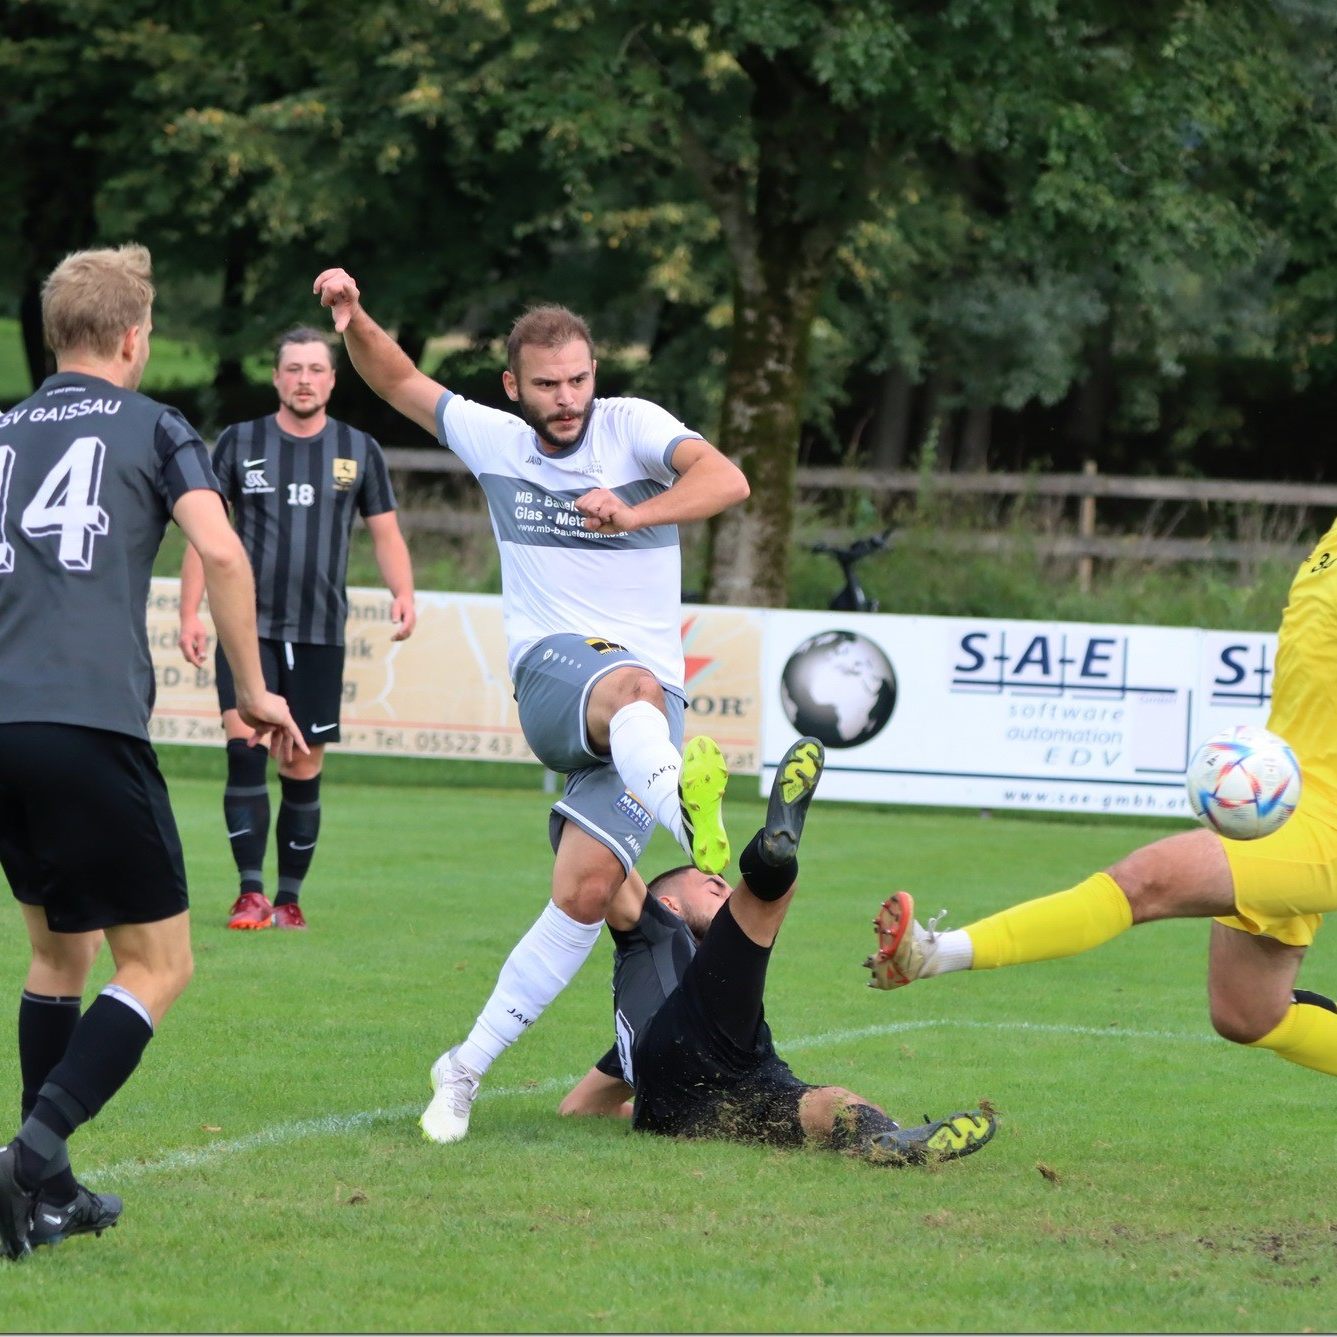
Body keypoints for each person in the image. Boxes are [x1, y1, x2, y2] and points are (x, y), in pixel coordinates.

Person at [311, 267, 749, 1141]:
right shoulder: (496, 439)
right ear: (513, 386)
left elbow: (727, 481)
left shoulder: (633, 429)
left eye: (579, 379)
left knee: (584, 893)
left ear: (595, 374)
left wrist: (634, 513)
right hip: (556, 675)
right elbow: (397, 379)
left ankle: (461, 1068)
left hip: (646, 710)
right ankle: (684, 807)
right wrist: (355, 318)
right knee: (623, 682)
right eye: (546, 384)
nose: (566, 398)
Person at [0, 244, 305, 1260]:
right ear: (136, 338)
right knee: (159, 962)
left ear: (53, 337)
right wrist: (255, 688)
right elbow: (218, 549)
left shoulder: (1, 428)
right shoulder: (157, 424)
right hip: (85, 721)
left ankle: (51, 1194)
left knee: (58, 952)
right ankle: (27, 1157)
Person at [868, 520, 1337, 1084]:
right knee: (1247, 1013)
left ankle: (936, 953)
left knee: (1148, 880)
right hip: (1290, 791)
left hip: (1321, 817)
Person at [560, 737, 997, 1165]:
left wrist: (644, 1109)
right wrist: (610, 750)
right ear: (669, 904)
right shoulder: (655, 928)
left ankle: (889, 1140)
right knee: (761, 902)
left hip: (705, 1101)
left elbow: (578, 1108)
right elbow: (603, 855)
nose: (723, 889)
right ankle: (771, 859)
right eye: (713, 886)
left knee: (827, 1103)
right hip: (704, 1044)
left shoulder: (633, 1042)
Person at [178, 326, 416, 931]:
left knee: (303, 765)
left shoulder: (359, 449)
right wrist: (188, 613)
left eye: (316, 368)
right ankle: (250, 894)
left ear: (332, 380)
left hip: (319, 631)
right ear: (277, 377)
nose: (304, 379)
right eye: (293, 369)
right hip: (246, 628)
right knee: (245, 748)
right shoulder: (239, 441)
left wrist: (404, 593)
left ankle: (289, 900)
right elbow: (205, 534)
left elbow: (385, 532)